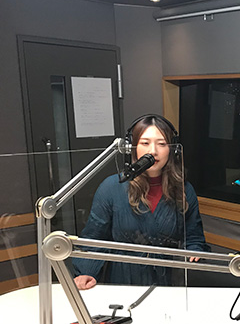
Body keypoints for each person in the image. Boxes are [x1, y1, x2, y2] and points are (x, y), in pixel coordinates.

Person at [73, 115, 211, 290]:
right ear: (132, 147)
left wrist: (195, 251)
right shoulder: (111, 188)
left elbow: (194, 237)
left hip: (168, 282)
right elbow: (94, 239)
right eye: (145, 143)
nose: (153, 151)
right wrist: (86, 272)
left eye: (161, 144)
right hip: (123, 281)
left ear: (172, 150)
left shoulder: (183, 190)